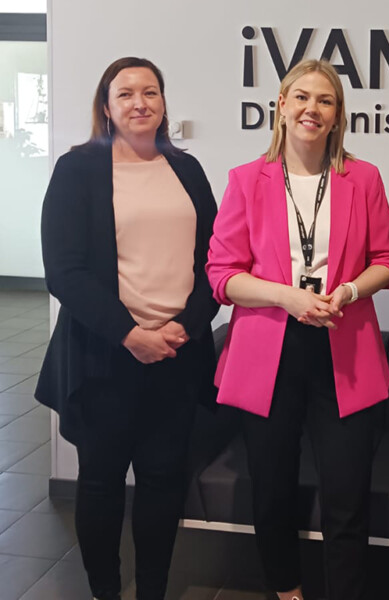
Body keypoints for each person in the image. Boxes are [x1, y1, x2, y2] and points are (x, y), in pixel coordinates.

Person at [206, 59, 389, 600]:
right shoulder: (246, 180)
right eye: (301, 97)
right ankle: (286, 591)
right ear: (281, 107)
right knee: (270, 489)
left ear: (338, 115)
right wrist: (286, 296)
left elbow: (387, 259)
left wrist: (349, 290)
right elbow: (222, 277)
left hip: (345, 346)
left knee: (347, 494)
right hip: (268, 350)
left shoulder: (362, 178)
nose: (311, 109)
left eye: (325, 100)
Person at [36, 57, 219, 600]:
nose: (140, 102)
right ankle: (106, 592)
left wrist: (185, 327)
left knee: (164, 482)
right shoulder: (78, 170)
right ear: (107, 106)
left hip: (176, 354)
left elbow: (217, 260)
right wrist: (129, 334)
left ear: (164, 103)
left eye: (151, 92)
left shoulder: (186, 168)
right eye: (126, 93)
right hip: (104, 356)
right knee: (100, 483)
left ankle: (153, 591)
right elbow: (63, 270)